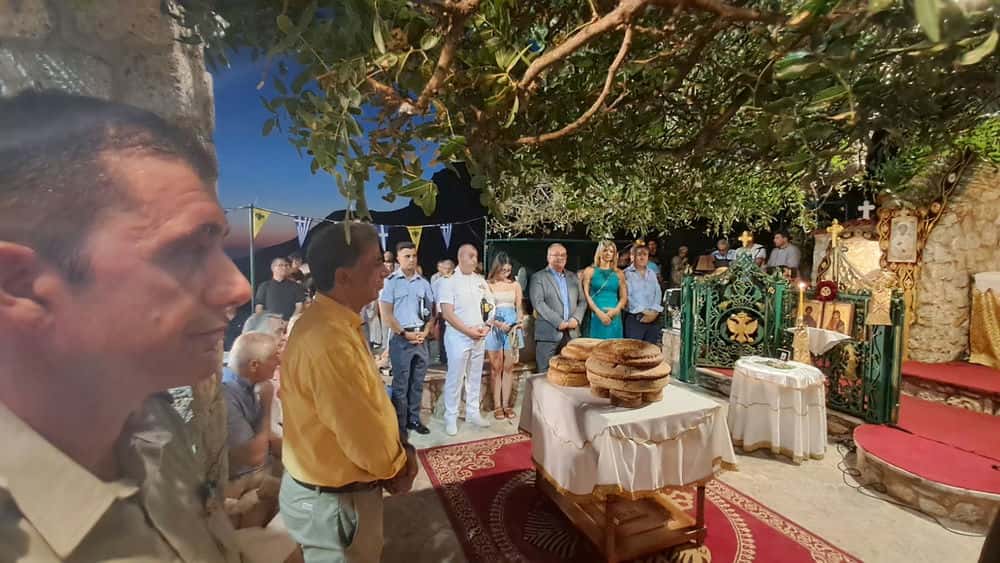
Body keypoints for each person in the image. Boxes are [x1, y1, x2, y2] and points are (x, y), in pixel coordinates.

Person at [0, 90, 251, 561]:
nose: (238, 288)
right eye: (187, 251)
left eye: (217, 244)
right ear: (21, 286)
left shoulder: (152, 426)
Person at [279, 222, 418, 563]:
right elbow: (362, 435)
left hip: (335, 495)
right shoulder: (328, 340)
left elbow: (367, 405)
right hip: (335, 504)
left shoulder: (336, 324)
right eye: (376, 262)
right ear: (343, 277)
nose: (385, 270)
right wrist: (397, 467)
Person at [222, 332, 283, 529]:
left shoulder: (250, 386)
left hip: (258, 470)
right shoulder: (226, 394)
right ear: (254, 365)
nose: (279, 362)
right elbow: (254, 456)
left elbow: (268, 438)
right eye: (274, 357)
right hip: (240, 482)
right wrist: (266, 405)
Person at [438, 244, 495, 435]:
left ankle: (473, 412)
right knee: (455, 377)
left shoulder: (480, 281)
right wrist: (467, 331)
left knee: (474, 376)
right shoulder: (449, 282)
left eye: (475, 256)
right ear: (460, 257)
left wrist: (488, 326)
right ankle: (451, 416)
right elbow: (447, 313)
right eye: (470, 256)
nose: (474, 260)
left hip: (479, 334)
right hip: (458, 336)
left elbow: (490, 305)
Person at [379, 242, 434, 436]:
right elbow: (387, 314)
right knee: (401, 385)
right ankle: (400, 424)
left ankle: (414, 419)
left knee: (417, 383)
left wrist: (426, 332)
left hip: (421, 338)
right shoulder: (391, 282)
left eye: (414, 256)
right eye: (407, 256)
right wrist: (404, 333)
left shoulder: (424, 283)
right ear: (398, 259)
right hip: (402, 338)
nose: (411, 260)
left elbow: (431, 313)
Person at [530, 243, 587, 372]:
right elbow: (538, 303)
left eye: (563, 255)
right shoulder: (538, 277)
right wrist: (558, 322)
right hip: (548, 334)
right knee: (544, 373)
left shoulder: (573, 277)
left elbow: (582, 301)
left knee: (571, 373)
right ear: (548, 257)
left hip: (572, 334)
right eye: (556, 255)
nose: (560, 258)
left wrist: (576, 319)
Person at [485, 253, 525, 420]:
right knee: (496, 367)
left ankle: (507, 404)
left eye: (508, 270)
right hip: (494, 326)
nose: (506, 273)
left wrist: (519, 321)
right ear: (496, 268)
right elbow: (485, 310)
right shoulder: (488, 285)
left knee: (509, 367)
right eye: (503, 270)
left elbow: (519, 307)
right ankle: (497, 406)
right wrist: (497, 323)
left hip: (512, 328)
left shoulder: (515, 285)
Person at [581, 240, 626, 339]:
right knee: (596, 344)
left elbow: (623, 297)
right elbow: (586, 295)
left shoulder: (619, 273)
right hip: (595, 314)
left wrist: (616, 311)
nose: (608, 253)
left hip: (614, 314)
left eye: (611, 251)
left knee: (614, 345)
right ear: (599, 252)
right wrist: (598, 313)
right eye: (605, 250)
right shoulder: (590, 271)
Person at [624, 245, 664, 344]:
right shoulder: (626, 273)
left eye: (645, 254)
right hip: (636, 319)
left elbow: (658, 293)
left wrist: (654, 311)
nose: (642, 257)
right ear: (633, 256)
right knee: (634, 350)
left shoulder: (652, 273)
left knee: (650, 350)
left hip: (653, 319)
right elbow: (627, 296)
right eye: (639, 254)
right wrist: (644, 311)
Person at [430, 259, 455, 365]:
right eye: (445, 268)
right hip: (442, 313)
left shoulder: (458, 281)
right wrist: (435, 315)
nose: (447, 271)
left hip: (456, 312)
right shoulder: (437, 282)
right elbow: (434, 299)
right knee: (443, 336)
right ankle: (444, 358)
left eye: (449, 269)